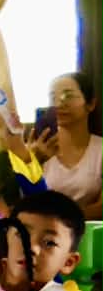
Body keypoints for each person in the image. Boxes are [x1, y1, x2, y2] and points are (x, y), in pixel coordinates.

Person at [30, 72, 103, 215]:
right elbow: (25, 203)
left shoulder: (100, 150)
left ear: (91, 104)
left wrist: (61, 220)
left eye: (68, 96)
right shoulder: (38, 149)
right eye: (53, 98)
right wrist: (32, 164)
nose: (58, 104)